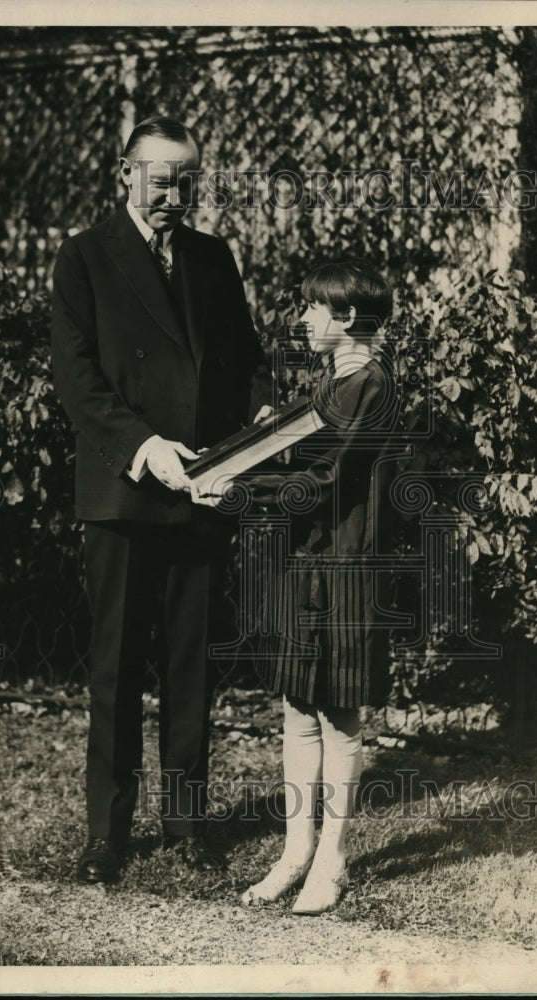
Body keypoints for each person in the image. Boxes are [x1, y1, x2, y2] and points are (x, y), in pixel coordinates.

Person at [51, 116, 273, 884]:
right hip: (125, 491)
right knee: (115, 667)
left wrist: (258, 430)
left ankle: (187, 824)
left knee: (191, 666)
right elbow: (78, 380)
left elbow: (246, 361)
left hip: (205, 489)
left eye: (187, 181)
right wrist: (147, 449)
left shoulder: (212, 258)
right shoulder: (84, 257)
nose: (173, 195)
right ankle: (106, 837)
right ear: (125, 172)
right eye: (159, 179)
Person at [196, 260, 398, 914]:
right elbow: (297, 459)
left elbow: (332, 478)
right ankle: (294, 853)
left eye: (313, 307)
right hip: (305, 562)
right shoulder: (329, 383)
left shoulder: (373, 385)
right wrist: (255, 453)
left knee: (339, 716)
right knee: (296, 709)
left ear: (348, 317)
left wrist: (239, 486)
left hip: (345, 566)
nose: (303, 318)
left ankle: (331, 861)